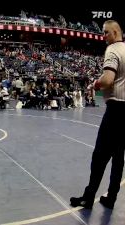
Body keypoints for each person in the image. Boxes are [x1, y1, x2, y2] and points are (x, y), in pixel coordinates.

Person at [70, 20, 125, 209]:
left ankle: (88, 197)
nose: (104, 37)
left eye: (106, 33)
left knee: (100, 155)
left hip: (116, 110)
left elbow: (108, 80)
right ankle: (111, 198)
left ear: (116, 32)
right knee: (119, 157)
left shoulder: (113, 50)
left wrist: (95, 84)